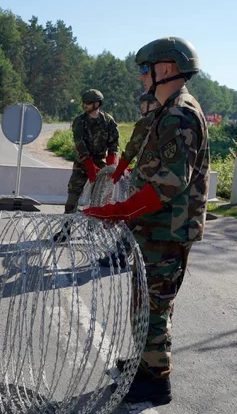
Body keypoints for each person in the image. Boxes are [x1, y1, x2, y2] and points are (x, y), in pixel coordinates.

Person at [83, 36, 209, 405]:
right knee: (145, 302)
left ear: (165, 69)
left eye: (144, 69)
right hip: (156, 226)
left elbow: (169, 184)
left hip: (166, 228)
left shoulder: (179, 114)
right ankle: (144, 364)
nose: (141, 77)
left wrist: (117, 211)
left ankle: (155, 380)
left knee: (154, 305)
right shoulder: (166, 111)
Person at [53, 89, 119, 243]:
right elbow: (80, 145)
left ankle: (92, 230)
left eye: (88, 103)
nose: (85, 105)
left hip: (101, 166)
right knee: (72, 198)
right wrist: (89, 166)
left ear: (97, 104)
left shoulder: (108, 121)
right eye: (84, 103)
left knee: (97, 200)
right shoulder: (79, 121)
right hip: (82, 165)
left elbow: (114, 144)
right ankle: (65, 230)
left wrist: (111, 166)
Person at [110, 93, 160, 183]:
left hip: (147, 172)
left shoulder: (146, 122)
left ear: (155, 104)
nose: (141, 106)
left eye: (144, 103)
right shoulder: (165, 118)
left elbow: (132, 148)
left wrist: (120, 168)